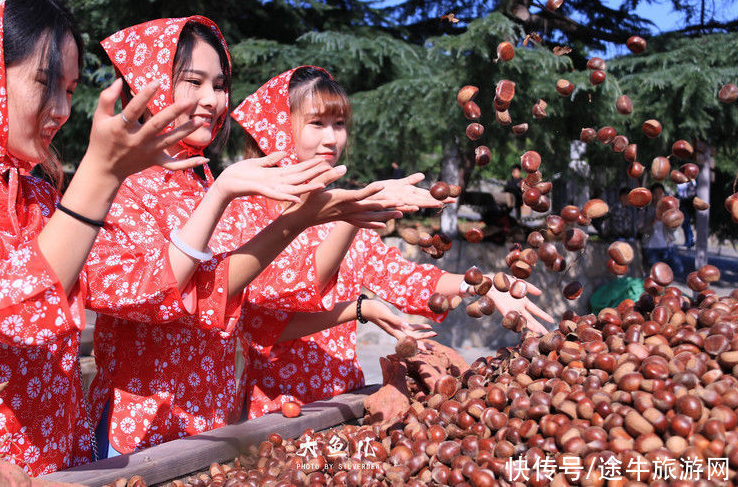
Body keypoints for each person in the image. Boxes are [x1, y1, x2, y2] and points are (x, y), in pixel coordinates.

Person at [86, 18, 415, 457]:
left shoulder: (203, 183)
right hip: (139, 426)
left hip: (213, 421)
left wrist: (335, 220)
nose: (211, 100)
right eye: (193, 81)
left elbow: (264, 298)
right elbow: (150, 295)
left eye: (220, 85)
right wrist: (297, 220)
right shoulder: (126, 186)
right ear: (150, 84)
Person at [0, 0, 205, 474]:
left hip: (63, 465)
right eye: (45, 84)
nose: (61, 112)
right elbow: (11, 310)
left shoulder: (38, 196)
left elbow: (133, 285)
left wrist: (241, 204)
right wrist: (99, 178)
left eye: (69, 91)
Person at [217, 66, 554, 419]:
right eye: (317, 123)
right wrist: (360, 299)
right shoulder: (245, 213)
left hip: (345, 403)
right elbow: (264, 321)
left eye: (339, 124)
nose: (332, 139)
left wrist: (486, 286)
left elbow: (407, 279)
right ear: (279, 128)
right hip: (273, 414)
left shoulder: (349, 209)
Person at [639, 183, 684, 278]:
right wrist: (652, 222)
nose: (658, 196)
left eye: (660, 193)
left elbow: (674, 228)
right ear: (651, 195)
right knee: (656, 275)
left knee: (678, 269)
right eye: (655, 193)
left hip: (667, 246)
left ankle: (664, 290)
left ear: (664, 194)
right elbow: (640, 228)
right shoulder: (646, 209)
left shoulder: (669, 209)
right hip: (650, 247)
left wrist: (668, 221)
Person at [676, 180, 696, 248]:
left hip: (686, 205)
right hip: (686, 205)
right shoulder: (691, 182)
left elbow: (680, 193)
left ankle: (689, 241)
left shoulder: (685, 183)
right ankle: (689, 240)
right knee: (685, 224)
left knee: (685, 223)